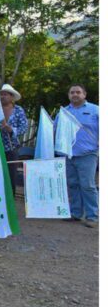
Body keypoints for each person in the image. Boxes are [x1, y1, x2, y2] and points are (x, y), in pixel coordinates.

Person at [61, 84, 99, 228]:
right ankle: (75, 213)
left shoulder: (95, 110)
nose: (75, 94)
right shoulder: (63, 112)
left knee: (87, 185)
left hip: (87, 154)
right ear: (69, 95)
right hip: (69, 154)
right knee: (72, 184)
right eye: (72, 92)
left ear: (84, 94)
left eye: (78, 92)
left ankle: (92, 216)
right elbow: (57, 130)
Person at [0, 84, 28, 194]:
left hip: (12, 148)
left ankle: (10, 204)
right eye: (1, 94)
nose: (2, 96)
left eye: (5, 94)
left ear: (11, 97)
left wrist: (12, 130)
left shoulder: (18, 110)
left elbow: (24, 128)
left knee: (11, 176)